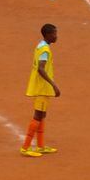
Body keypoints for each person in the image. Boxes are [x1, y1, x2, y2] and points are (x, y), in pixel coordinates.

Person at [21, 23, 60, 158]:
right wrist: (53, 84)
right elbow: (41, 69)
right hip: (42, 88)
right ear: (48, 35)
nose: (56, 36)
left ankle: (41, 146)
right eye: (54, 34)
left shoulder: (41, 45)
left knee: (42, 115)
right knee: (38, 116)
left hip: (41, 86)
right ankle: (25, 147)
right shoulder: (45, 50)